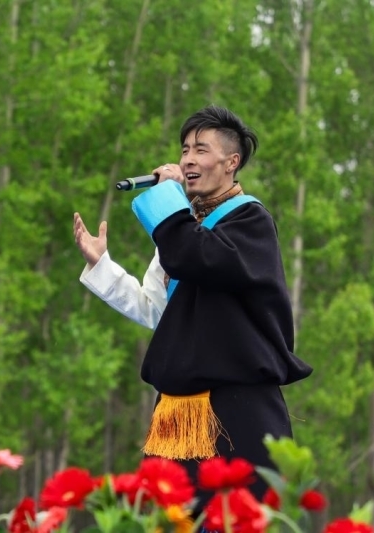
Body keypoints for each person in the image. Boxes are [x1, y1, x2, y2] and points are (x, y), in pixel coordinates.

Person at [73, 105, 312, 510]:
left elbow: (197, 256)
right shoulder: (181, 231)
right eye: (184, 150)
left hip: (236, 406)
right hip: (178, 412)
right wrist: (102, 266)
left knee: (240, 516)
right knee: (170, 517)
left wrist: (168, 200)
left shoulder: (250, 221)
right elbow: (157, 309)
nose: (187, 160)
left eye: (201, 150)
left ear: (231, 162)